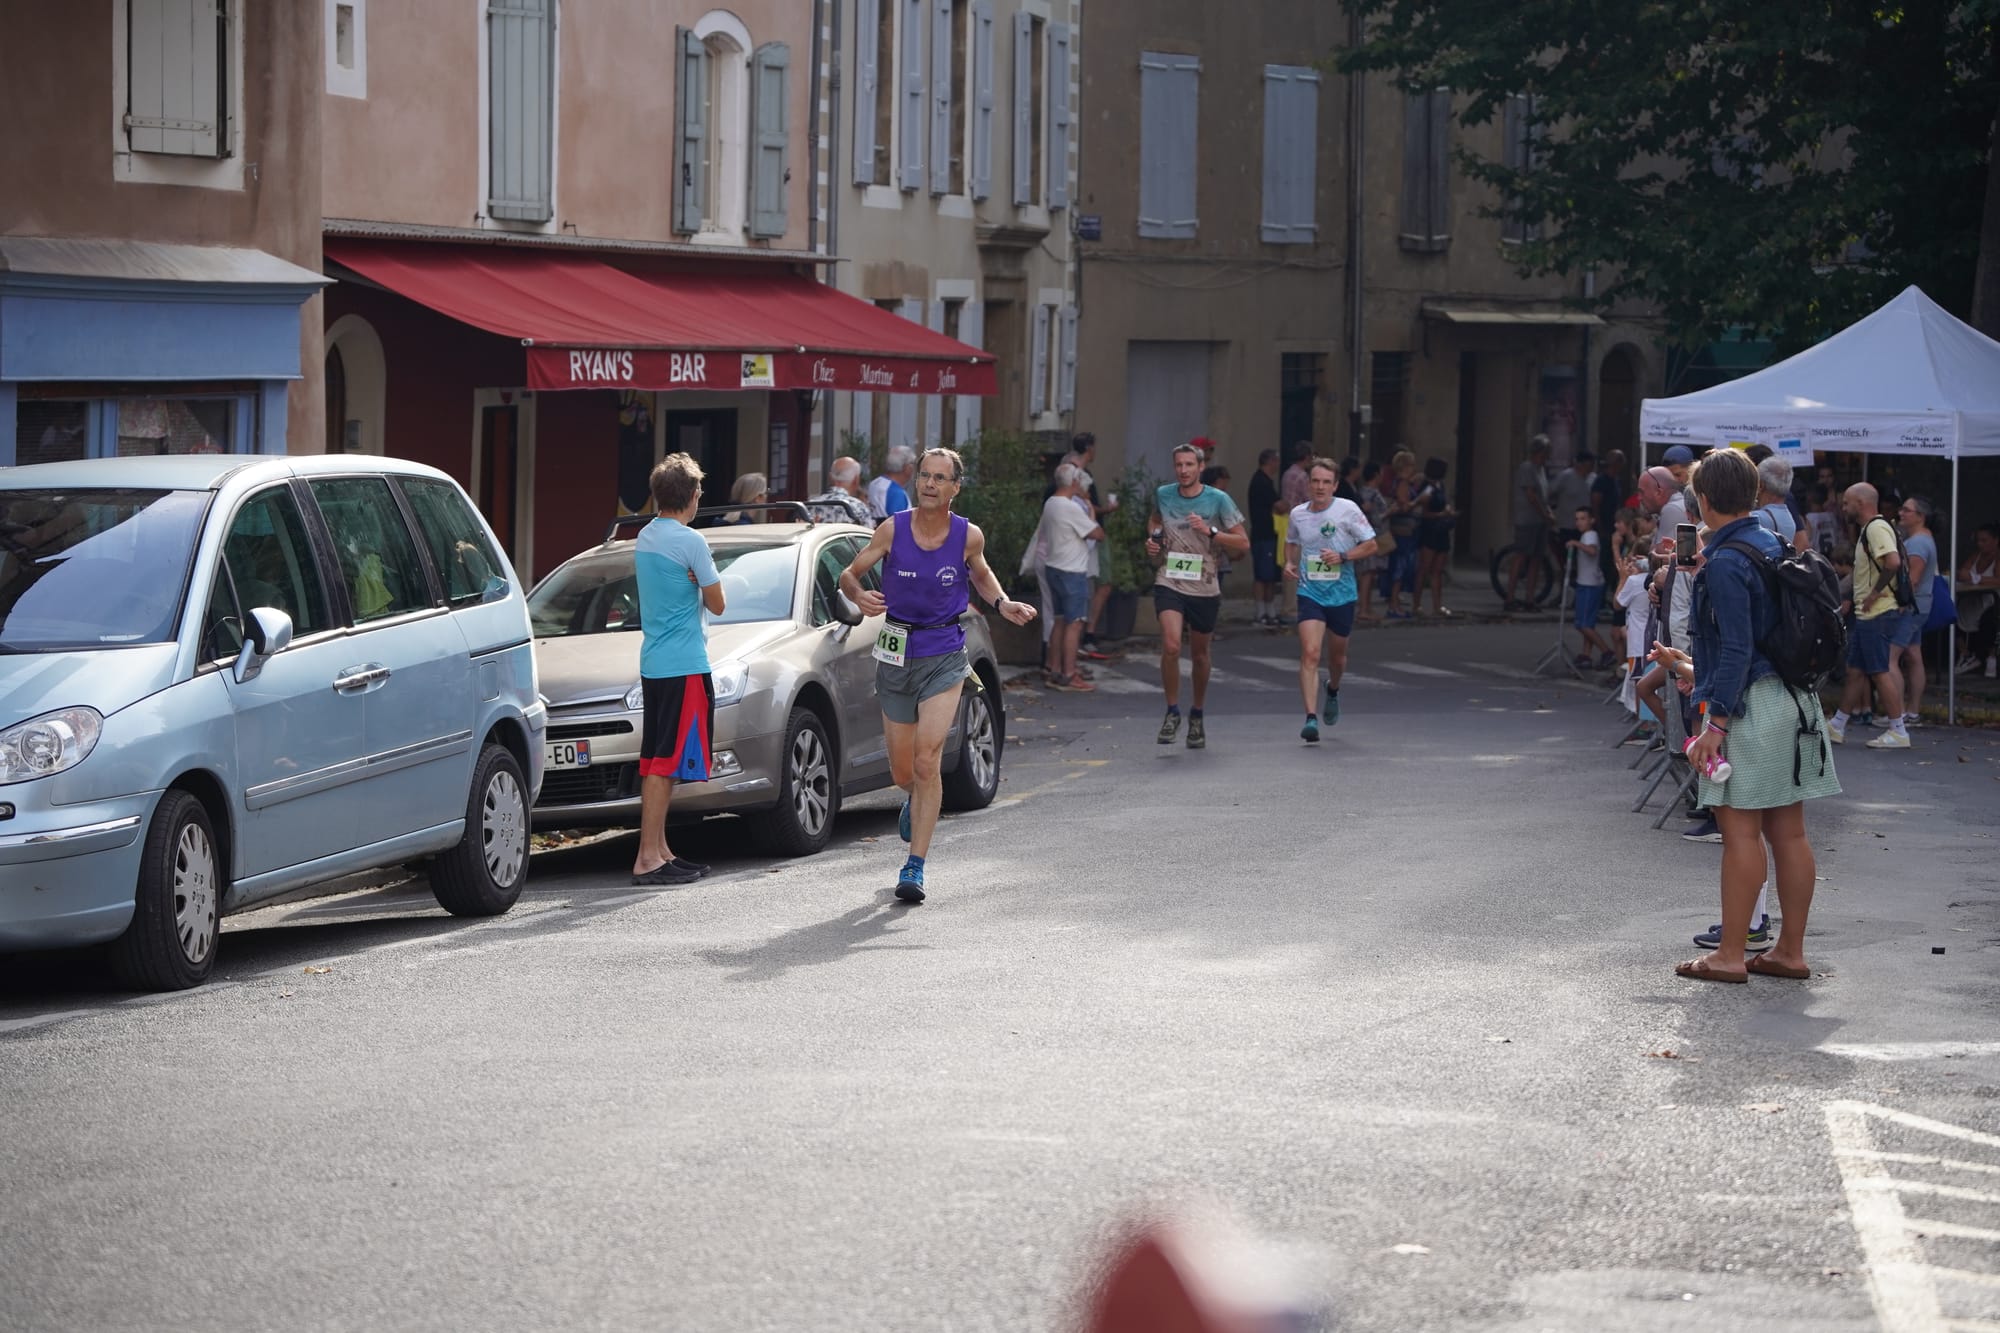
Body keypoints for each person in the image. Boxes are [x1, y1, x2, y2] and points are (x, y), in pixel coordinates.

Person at [1656, 447, 1839, 984]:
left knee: (1740, 835)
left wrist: (1714, 723)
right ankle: (1788, 950)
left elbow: (1735, 650)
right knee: (1791, 834)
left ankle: (1730, 953)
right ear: (1756, 495)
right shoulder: (1771, 542)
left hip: (1747, 709)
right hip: (1792, 699)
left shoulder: (1728, 564)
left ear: (1703, 500)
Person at [840, 447, 1037, 903]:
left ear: (955, 488)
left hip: (945, 652)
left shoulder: (968, 536)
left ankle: (915, 865)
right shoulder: (893, 528)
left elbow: (983, 575)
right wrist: (859, 594)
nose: (928, 483)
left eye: (939, 478)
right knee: (903, 769)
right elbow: (850, 574)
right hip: (895, 652)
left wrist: (1003, 603)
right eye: (924, 475)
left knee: (929, 760)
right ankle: (914, 798)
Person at [630, 454, 728, 886]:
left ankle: (661, 850)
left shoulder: (646, 536)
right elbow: (718, 603)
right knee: (664, 762)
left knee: (658, 757)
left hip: (655, 662)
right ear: (691, 497)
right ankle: (648, 856)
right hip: (685, 663)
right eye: (699, 492)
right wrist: (697, 576)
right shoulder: (691, 542)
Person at [1146, 442, 1249, 750]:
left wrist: (1211, 532)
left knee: (1201, 655)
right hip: (1170, 579)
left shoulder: (1219, 499)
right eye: (1179, 465)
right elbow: (1154, 521)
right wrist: (1152, 541)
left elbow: (1243, 543)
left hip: (1204, 583)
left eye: (1189, 465)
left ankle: (1197, 713)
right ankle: (1172, 711)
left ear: (1200, 467)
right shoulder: (1164, 494)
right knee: (1172, 644)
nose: (1183, 470)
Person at [1284, 458, 1378, 742]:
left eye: (1326, 482)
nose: (1320, 487)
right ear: (1308, 484)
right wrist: (1288, 562)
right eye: (1315, 481)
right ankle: (1310, 718)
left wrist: (1344, 556)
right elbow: (1292, 541)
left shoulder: (1347, 510)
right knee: (1311, 653)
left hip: (1341, 593)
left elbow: (1371, 544)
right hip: (1310, 591)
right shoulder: (1298, 514)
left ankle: (1333, 689)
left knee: (1337, 656)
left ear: (1335, 485)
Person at [1828, 482, 1912, 749]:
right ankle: (1837, 725)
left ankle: (1898, 730)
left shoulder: (1875, 528)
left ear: (1861, 503)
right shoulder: (1870, 529)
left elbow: (1893, 561)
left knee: (1879, 670)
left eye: (1847, 503)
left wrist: (1875, 593)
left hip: (1877, 612)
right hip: (1870, 614)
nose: (1844, 508)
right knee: (1856, 671)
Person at [1039, 463, 1105, 692]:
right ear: (1075, 482)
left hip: (1053, 567)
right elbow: (1097, 533)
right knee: (1074, 623)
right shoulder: (1070, 508)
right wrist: (1089, 506)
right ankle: (1069, 673)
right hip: (1072, 570)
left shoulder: (1051, 503)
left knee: (1059, 620)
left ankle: (1054, 669)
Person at [1894, 495, 1939, 726]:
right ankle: (1912, 711)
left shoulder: (1918, 543)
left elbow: (1913, 577)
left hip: (1911, 605)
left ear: (1920, 516)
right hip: (1921, 604)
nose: (1901, 513)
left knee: (1891, 658)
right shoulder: (1923, 539)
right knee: (1913, 655)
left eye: (1907, 510)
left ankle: (1899, 713)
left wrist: (1901, 603)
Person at [1504, 435, 1554, 610]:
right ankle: (1509, 597)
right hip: (1527, 520)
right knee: (1521, 556)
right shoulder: (1527, 468)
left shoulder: (1541, 470)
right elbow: (1531, 496)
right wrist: (1544, 514)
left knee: (1536, 559)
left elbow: (1542, 495)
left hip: (1539, 521)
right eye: (1547, 451)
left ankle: (1530, 599)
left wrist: (1548, 513)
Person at [1564, 506, 1616, 669]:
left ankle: (1607, 651)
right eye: (1577, 519)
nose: (1579, 522)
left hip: (1590, 584)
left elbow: (1592, 551)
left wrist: (1576, 544)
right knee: (1588, 622)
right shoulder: (1586, 535)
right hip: (1585, 582)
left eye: (1583, 518)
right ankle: (1585, 654)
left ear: (1591, 520)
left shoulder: (1590, 535)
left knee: (1583, 624)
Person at [1412, 456, 1456, 618]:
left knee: (1437, 570)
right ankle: (1416, 604)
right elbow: (1424, 513)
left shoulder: (1440, 486)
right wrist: (1441, 514)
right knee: (1424, 568)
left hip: (1441, 531)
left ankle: (1438, 605)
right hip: (1430, 530)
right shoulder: (1427, 488)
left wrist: (1448, 511)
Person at [1379, 450, 1421, 618]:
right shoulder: (1402, 483)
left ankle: (1394, 603)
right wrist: (1418, 501)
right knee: (1400, 567)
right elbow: (1403, 505)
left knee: (1400, 567)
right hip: (1402, 530)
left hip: (1404, 529)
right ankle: (1394, 604)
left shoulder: (1403, 482)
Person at [1955, 522, 1999, 678]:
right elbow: (1962, 572)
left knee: (1990, 620)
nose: (1980, 544)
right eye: (1978, 540)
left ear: (1996, 540)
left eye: (1984, 540)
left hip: (1991, 600)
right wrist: (1966, 575)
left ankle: (1991, 657)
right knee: (1951, 612)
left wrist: (1976, 578)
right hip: (1970, 598)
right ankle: (1965, 654)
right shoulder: (1976, 555)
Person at [1248, 449, 1283, 627]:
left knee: (1270, 575)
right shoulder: (1261, 481)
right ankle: (1260, 612)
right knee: (1262, 575)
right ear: (1270, 462)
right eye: (1276, 461)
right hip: (1263, 534)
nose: (1278, 465)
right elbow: (1280, 506)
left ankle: (1270, 611)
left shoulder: (1267, 481)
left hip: (1270, 534)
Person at [1590, 449, 1626, 585]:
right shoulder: (1601, 480)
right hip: (1604, 525)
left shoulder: (1615, 480)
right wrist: (1599, 525)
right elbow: (1595, 503)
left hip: (1613, 524)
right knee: (1604, 559)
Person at [806, 456, 874, 526]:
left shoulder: (811, 505)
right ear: (856, 480)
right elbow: (871, 535)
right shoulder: (859, 508)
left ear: (830, 477)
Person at [867, 445, 916, 522]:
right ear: (907, 467)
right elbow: (899, 525)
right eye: (912, 464)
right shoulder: (897, 493)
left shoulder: (874, 483)